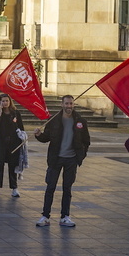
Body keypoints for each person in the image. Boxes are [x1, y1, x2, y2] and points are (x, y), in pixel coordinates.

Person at [34, 95, 90, 228]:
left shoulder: (80, 121)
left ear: (73, 105)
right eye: (66, 103)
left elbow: (86, 141)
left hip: (71, 160)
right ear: (62, 104)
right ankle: (45, 216)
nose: (69, 106)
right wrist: (38, 135)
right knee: (50, 187)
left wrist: (80, 156)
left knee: (67, 189)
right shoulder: (54, 120)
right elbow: (46, 138)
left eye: (71, 104)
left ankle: (65, 216)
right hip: (56, 159)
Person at [0, 94, 26, 198]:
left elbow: (20, 126)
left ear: (10, 102)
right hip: (1, 142)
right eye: (3, 101)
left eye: (6, 101)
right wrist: (0, 113)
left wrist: (22, 137)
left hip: (13, 142)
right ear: (0, 102)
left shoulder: (15, 113)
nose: (5, 103)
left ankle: (14, 188)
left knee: (12, 166)